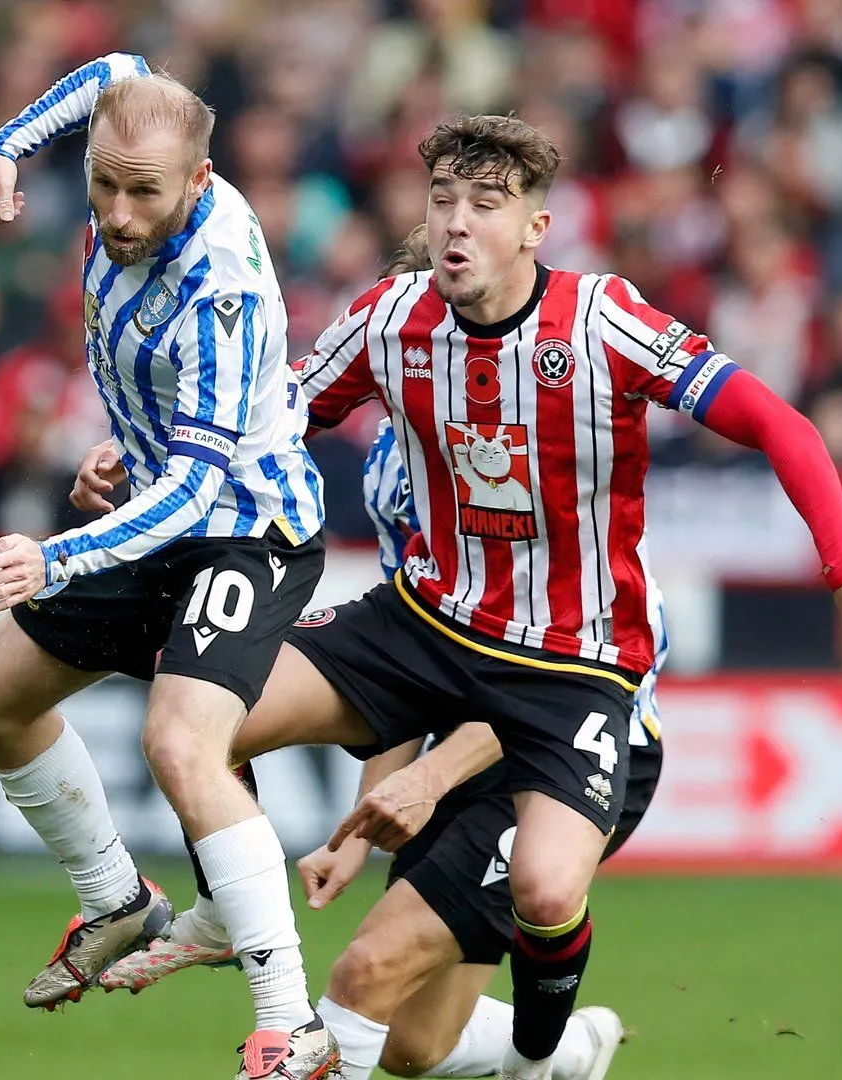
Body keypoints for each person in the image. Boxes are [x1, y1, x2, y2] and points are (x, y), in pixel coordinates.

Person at [101, 113, 842, 1080]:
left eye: (485, 205)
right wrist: (141, 458)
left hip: (572, 676)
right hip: (426, 627)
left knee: (516, 907)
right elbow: (254, 423)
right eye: (442, 200)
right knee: (204, 709)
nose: (456, 222)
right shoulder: (390, 323)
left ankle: (542, 1055)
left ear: (536, 226)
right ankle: (223, 914)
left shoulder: (603, 323)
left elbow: (776, 420)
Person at [106, 228, 648, 1080]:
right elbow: (416, 673)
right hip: (466, 733)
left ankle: (525, 1050)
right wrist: (360, 829)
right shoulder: (396, 468)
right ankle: (572, 1052)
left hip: (572, 744)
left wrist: (429, 777)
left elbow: (573, 681)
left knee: (363, 976)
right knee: (412, 1045)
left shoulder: (553, 451)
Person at [0, 53, 339, 1078]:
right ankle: (117, 899)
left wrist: (54, 557)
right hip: (159, 505)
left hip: (248, 528)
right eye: (103, 185)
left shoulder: (219, 289)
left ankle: (291, 1025)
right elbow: (115, 72)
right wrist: (5, 148)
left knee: (179, 740)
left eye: (144, 193)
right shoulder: (133, 152)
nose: (118, 214)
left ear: (199, 180)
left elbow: (199, 492)